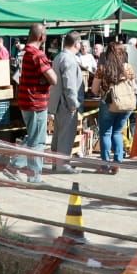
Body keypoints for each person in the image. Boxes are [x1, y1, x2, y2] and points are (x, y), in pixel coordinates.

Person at [9, 23, 56, 182]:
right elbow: (53, 79)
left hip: (25, 100)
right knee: (37, 140)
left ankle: (31, 174)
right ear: (41, 37)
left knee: (32, 138)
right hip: (36, 102)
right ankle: (19, 169)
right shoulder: (37, 55)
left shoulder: (23, 53)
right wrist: (45, 79)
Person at [92, 39, 137, 169]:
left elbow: (94, 89)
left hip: (109, 102)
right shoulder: (128, 68)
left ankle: (105, 164)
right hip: (126, 104)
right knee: (117, 132)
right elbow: (132, 87)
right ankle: (118, 162)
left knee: (105, 133)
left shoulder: (103, 68)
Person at [49, 32, 84, 173]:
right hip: (66, 103)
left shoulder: (59, 57)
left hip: (58, 102)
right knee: (65, 135)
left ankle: (56, 163)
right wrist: (73, 104)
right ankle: (62, 165)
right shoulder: (69, 59)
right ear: (76, 44)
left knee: (58, 136)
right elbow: (69, 85)